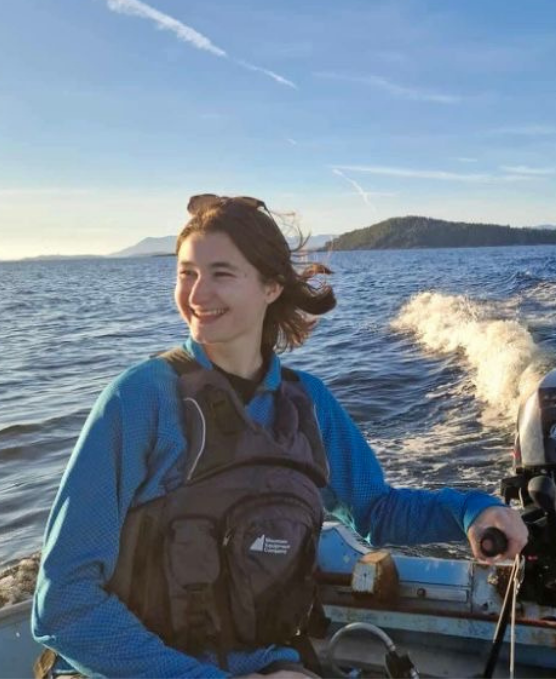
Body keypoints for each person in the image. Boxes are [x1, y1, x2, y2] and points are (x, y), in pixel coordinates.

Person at [32, 194, 527, 678]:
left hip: (267, 662)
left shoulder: (306, 402)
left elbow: (376, 510)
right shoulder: (140, 400)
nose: (197, 295)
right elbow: (63, 605)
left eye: (221, 274)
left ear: (271, 286)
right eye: (186, 273)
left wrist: (470, 511)